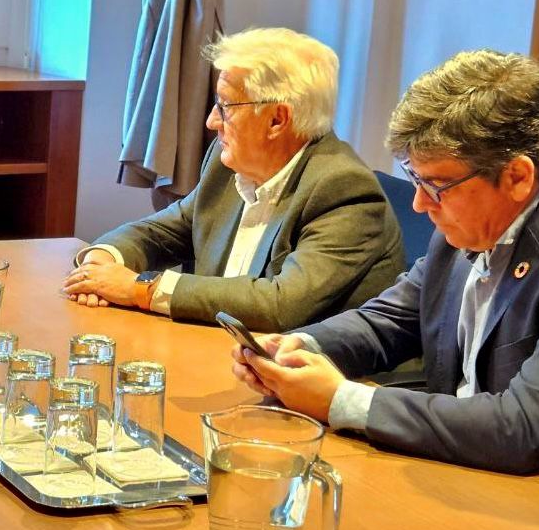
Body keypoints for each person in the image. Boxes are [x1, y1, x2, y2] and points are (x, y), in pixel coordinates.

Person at [232, 50, 539, 506]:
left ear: (518, 177)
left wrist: (341, 400)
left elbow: (523, 427)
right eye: (414, 179)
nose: (420, 205)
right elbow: (387, 321)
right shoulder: (469, 224)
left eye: (435, 185)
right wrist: (298, 348)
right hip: (457, 469)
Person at [65, 28, 404, 331]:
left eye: (225, 107)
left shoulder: (343, 190)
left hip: (308, 373)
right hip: (218, 353)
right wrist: (102, 262)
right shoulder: (227, 162)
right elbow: (165, 231)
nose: (212, 121)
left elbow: (280, 303)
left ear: (277, 120)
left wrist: (140, 289)